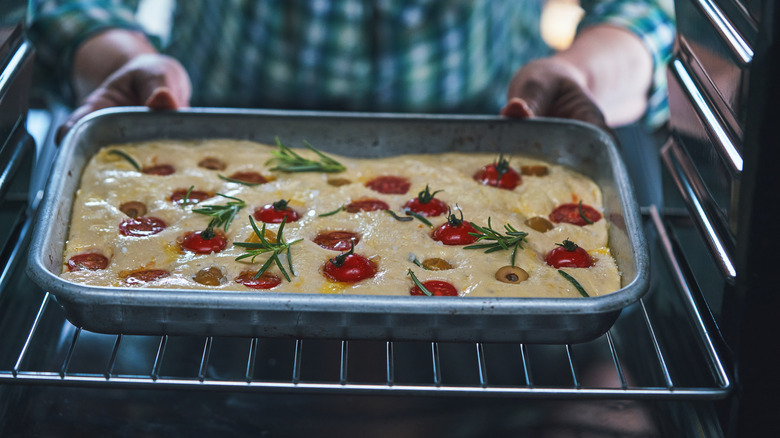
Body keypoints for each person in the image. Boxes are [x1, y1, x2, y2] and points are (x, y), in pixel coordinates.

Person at [26, 1, 674, 140]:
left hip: (499, 142)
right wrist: (124, 60)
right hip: (202, 145)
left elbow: (643, 10)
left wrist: (585, 75)